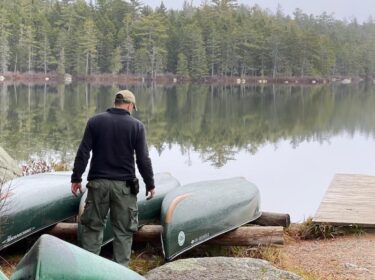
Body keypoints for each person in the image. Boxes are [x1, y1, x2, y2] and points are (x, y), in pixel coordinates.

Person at [71, 89, 155, 267]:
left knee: (92, 229)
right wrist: (150, 183)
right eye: (133, 107)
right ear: (130, 105)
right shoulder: (137, 126)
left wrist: (76, 178)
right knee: (123, 232)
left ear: (116, 102)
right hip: (124, 188)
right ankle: (120, 274)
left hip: (98, 185)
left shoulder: (95, 121)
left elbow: (83, 152)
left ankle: (88, 272)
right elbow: (143, 159)